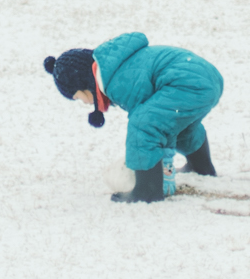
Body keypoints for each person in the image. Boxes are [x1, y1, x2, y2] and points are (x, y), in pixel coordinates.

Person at [43, 34, 224, 202]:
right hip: (208, 79)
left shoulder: (116, 81)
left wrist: (159, 152)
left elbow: (148, 124)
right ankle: (201, 168)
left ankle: (147, 190)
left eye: (77, 97)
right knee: (180, 124)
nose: (83, 102)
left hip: (187, 84)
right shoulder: (118, 66)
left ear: (84, 84)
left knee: (143, 125)